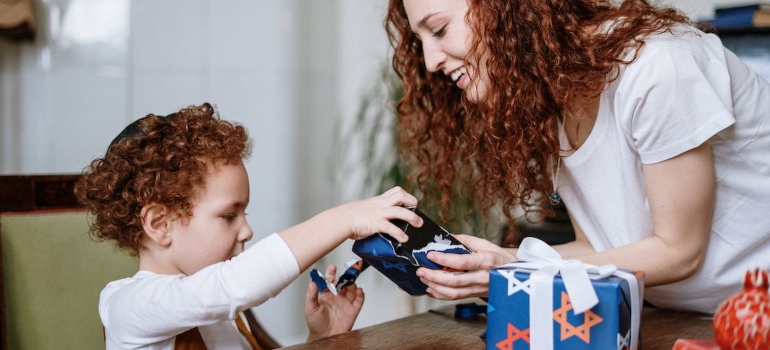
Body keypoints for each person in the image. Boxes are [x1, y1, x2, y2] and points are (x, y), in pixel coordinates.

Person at [385, 0, 770, 314]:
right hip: (690, 319)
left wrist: (517, 273)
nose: (430, 61)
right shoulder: (549, 94)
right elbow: (599, 247)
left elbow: (679, 251)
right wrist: (505, 260)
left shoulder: (657, 67)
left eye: (438, 30)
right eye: (420, 40)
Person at [74, 103, 423, 349]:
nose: (246, 231)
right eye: (229, 216)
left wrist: (321, 340)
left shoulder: (221, 316)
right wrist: (344, 219)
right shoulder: (127, 306)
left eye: (245, 215)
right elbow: (234, 286)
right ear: (160, 223)